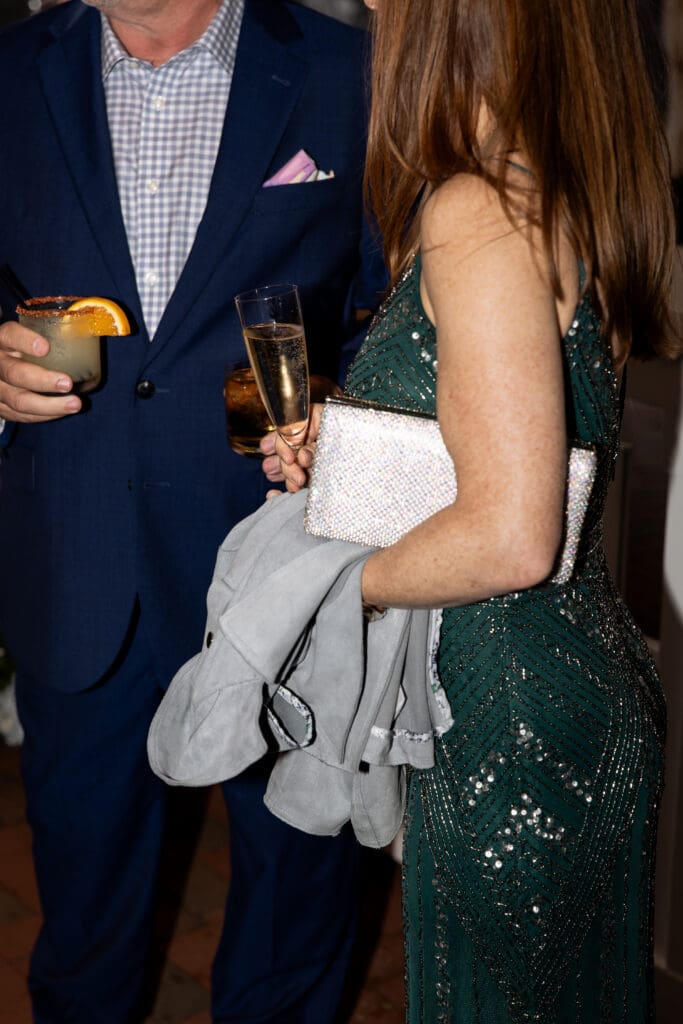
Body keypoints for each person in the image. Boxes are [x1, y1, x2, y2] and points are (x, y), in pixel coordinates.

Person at [272, 0, 682, 1020]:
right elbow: (509, 447)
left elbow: (508, 535)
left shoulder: (476, 209)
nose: (373, 7)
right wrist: (355, 455)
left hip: (504, 712)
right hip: (555, 679)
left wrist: (319, 592)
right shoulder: (548, 184)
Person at [0, 1, 384, 1021]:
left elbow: (399, 305)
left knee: (295, 888)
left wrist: (345, 415)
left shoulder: (356, 72)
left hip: (285, 562)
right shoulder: (10, 70)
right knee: (82, 905)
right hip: (78, 561)